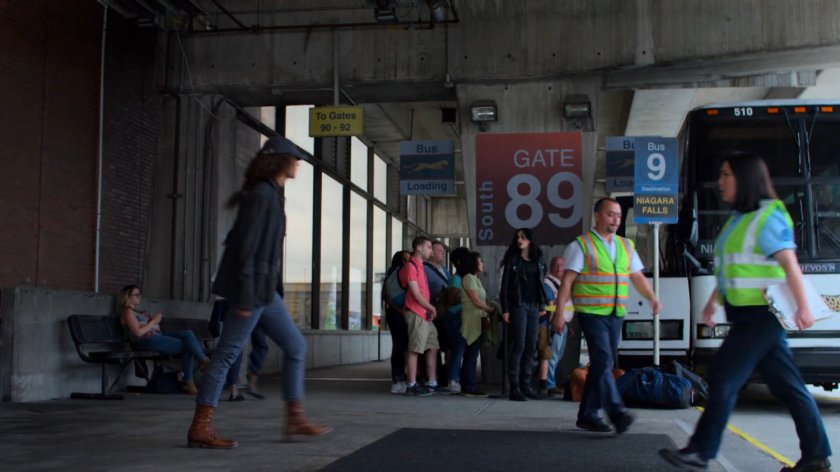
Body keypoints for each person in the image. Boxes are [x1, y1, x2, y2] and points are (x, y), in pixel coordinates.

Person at [659, 153, 832, 472]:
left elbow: (788, 263)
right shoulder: (740, 218)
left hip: (761, 316)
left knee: (724, 379)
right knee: (789, 387)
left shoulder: (769, 217)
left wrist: (804, 308)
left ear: (744, 178)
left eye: (726, 174)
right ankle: (816, 456)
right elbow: (732, 268)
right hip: (744, 314)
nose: (720, 181)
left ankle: (700, 451)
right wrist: (713, 302)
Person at [187, 136, 331, 449]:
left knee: (295, 346)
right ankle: (200, 426)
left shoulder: (273, 194)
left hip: (266, 292)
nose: (297, 164)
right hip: (251, 291)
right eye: (294, 159)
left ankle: (295, 418)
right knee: (227, 354)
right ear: (279, 161)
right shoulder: (262, 196)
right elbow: (246, 249)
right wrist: (246, 295)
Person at [553, 197, 661, 434]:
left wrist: (652, 297)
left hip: (615, 313)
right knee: (602, 361)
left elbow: (637, 277)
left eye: (619, 215)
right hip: (591, 313)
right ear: (598, 216)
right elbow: (567, 283)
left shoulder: (626, 246)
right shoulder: (581, 245)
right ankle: (617, 412)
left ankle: (588, 414)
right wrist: (559, 313)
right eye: (611, 214)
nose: (616, 219)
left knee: (603, 364)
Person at [119, 285, 210, 395]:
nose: (139, 297)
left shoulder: (138, 311)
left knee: (188, 334)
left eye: (140, 294)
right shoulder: (127, 311)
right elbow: (138, 332)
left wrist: (154, 321)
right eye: (136, 295)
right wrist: (154, 321)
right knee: (187, 346)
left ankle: (203, 362)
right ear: (127, 297)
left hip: (157, 336)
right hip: (145, 341)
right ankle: (191, 379)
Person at [499, 228, 547, 401]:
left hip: (534, 306)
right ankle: (514, 387)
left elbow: (541, 284)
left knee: (530, 346)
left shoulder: (539, 261)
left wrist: (542, 304)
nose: (520, 240)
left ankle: (526, 385)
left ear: (530, 240)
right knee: (518, 345)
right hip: (518, 305)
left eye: (523, 237)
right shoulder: (513, 260)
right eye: (518, 237)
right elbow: (504, 287)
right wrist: (505, 309)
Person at [401, 236, 441, 396]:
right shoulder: (411, 267)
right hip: (416, 312)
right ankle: (411, 384)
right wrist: (432, 307)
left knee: (433, 345)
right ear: (419, 248)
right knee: (415, 349)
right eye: (429, 247)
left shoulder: (421, 267)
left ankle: (432, 382)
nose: (431, 250)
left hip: (425, 314)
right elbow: (416, 294)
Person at [209, 298, 269, 401]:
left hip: (236, 306)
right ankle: (242, 387)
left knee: (235, 350)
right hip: (245, 305)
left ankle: (233, 390)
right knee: (238, 350)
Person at [456, 252, 494, 397]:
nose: (482, 264)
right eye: (480, 261)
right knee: (471, 354)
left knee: (472, 354)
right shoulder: (469, 278)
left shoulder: (474, 279)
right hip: (471, 319)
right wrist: (490, 309)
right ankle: (468, 386)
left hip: (476, 318)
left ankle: (469, 384)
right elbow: (476, 301)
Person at [540, 256, 572, 397]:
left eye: (562, 264)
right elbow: (551, 305)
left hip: (563, 324)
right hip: (554, 325)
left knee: (558, 355)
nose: (560, 267)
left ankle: (549, 380)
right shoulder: (548, 283)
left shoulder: (560, 283)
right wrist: (555, 322)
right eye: (557, 264)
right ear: (551, 267)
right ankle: (549, 384)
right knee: (552, 355)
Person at [443, 246, 471, 394]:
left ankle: (455, 379)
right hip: (455, 317)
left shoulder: (465, 278)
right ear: (459, 262)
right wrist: (469, 295)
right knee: (458, 349)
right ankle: (452, 380)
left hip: (461, 318)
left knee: (460, 349)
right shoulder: (456, 278)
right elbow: (453, 299)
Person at [385, 250, 411, 394]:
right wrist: (403, 311)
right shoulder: (398, 274)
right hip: (399, 313)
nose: (409, 262)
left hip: (395, 313)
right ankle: (399, 378)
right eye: (406, 259)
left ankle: (400, 377)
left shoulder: (390, 274)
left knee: (401, 346)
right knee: (401, 346)